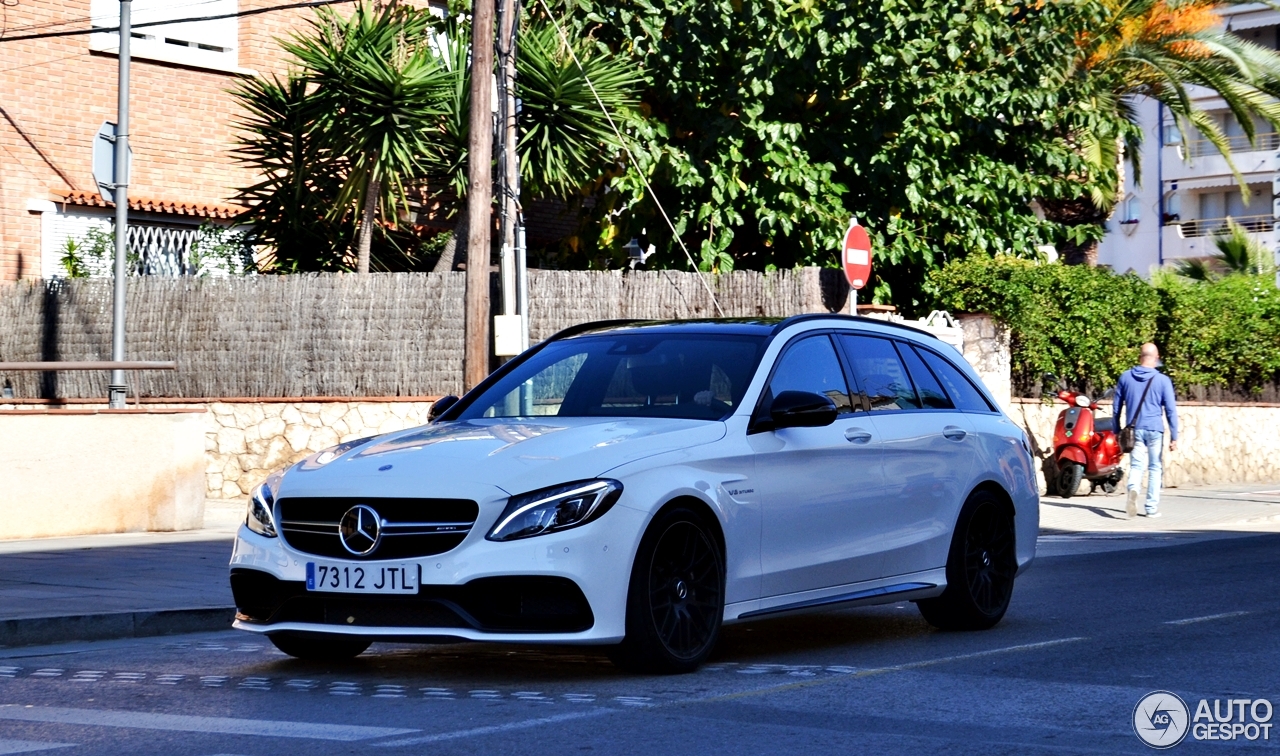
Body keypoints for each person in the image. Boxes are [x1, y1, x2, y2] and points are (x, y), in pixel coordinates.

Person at [1113, 343, 1180, 518]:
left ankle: (1133, 491)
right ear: (1156, 358)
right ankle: (1151, 508)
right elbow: (1171, 410)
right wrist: (1174, 435)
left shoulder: (1125, 377)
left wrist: (1116, 429)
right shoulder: (1163, 380)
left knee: (1136, 465)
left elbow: (1116, 407)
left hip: (1134, 430)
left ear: (1140, 357)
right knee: (1155, 467)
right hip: (1155, 429)